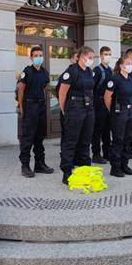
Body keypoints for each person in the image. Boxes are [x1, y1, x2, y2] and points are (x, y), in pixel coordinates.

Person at [58, 46, 96, 185]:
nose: (91, 60)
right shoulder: (72, 71)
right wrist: (64, 110)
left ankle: (85, 169)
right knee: (71, 141)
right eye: (89, 57)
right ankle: (67, 172)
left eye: (92, 57)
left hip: (88, 108)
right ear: (81, 56)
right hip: (75, 108)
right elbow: (62, 93)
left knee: (86, 140)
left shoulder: (89, 71)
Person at [17, 46, 54, 178]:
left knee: (39, 137)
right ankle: (25, 166)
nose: (39, 57)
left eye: (40, 55)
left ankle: (40, 164)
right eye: (36, 55)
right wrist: (21, 106)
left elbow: (45, 87)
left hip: (41, 106)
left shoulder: (44, 72)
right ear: (31, 57)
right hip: (30, 106)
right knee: (28, 137)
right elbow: (21, 89)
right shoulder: (27, 72)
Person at [104, 57, 132, 177]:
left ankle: (125, 164)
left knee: (128, 139)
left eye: (131, 64)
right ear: (121, 66)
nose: (130, 65)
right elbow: (107, 97)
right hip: (119, 112)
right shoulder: (115, 79)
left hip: (130, 111)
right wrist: (112, 111)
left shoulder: (130, 79)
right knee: (118, 140)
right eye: (128, 63)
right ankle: (115, 167)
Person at [91, 46, 113, 164]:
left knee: (107, 129)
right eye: (105, 54)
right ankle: (96, 154)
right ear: (100, 55)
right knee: (97, 130)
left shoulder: (110, 70)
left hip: (108, 103)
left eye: (109, 54)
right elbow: (91, 87)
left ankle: (107, 153)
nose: (107, 56)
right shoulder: (97, 70)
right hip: (99, 103)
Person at [55, 49, 78, 135]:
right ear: (71, 59)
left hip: (78, 110)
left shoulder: (82, 73)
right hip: (69, 109)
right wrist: (64, 110)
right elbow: (60, 93)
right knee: (68, 136)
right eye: (77, 58)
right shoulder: (68, 74)